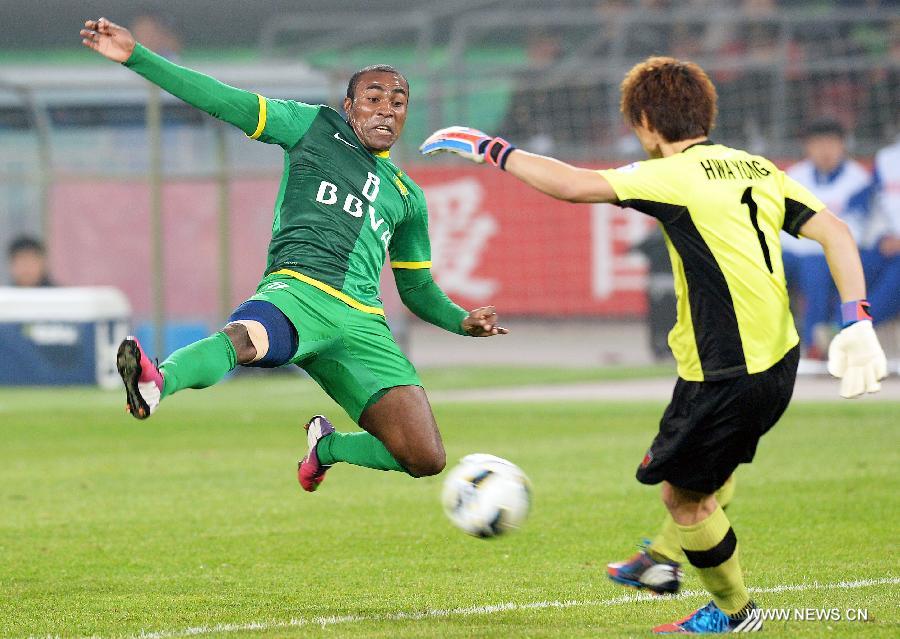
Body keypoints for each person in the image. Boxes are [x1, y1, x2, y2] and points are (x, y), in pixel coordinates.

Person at [421, 57, 887, 633]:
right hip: (775, 357)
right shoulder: (756, 168)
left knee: (684, 499)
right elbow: (836, 232)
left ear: (645, 123)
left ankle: (734, 612)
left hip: (728, 372)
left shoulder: (671, 175)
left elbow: (571, 184)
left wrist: (490, 148)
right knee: (709, 467)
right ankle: (662, 562)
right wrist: (857, 320)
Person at [80, 17, 507, 490]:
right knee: (245, 339)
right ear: (349, 107)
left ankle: (326, 447)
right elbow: (224, 101)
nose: (385, 111)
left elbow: (418, 288)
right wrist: (138, 56)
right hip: (298, 292)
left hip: (364, 324)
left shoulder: (407, 197)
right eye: (373, 99)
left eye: (398, 102)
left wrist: (461, 321)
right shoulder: (313, 127)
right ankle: (157, 380)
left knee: (425, 457)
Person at [781, 118, 872, 358]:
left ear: (843, 145)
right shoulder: (793, 176)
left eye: (831, 143)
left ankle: (815, 346)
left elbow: (855, 229)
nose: (824, 151)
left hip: (833, 255)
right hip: (793, 251)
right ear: (807, 147)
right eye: (817, 143)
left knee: (816, 270)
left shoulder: (858, 179)